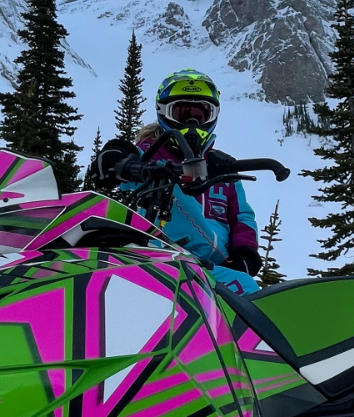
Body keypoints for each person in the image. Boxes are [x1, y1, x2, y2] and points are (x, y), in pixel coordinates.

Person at [93, 69, 264, 295]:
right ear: (165, 113)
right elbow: (125, 157)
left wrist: (245, 253)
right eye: (182, 113)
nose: (192, 122)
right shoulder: (149, 157)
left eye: (200, 115)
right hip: (155, 256)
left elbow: (242, 216)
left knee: (246, 288)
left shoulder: (222, 169)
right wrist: (117, 157)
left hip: (212, 268)